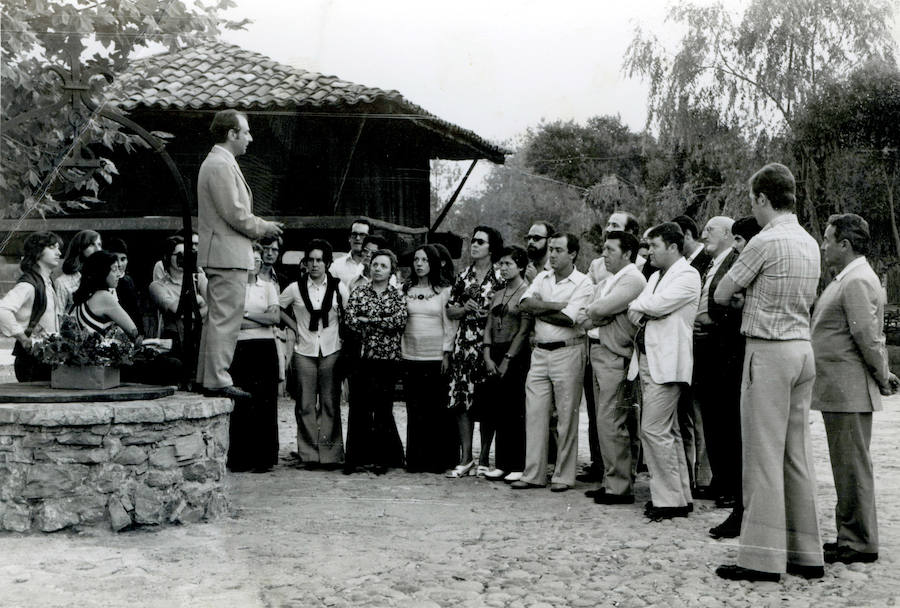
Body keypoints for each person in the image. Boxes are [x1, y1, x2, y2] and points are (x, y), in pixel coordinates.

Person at [714, 162, 824, 582]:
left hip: (768, 350)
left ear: (762, 199)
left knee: (761, 456)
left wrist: (748, 299)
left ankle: (760, 558)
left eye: (753, 203)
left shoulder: (765, 241)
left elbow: (724, 293)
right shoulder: (809, 242)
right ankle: (806, 553)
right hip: (801, 348)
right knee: (796, 455)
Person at [813, 214, 898, 565]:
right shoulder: (849, 278)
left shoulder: (856, 281)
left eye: (828, 239)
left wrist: (883, 375)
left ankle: (860, 542)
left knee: (852, 467)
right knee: (846, 466)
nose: (823, 245)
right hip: (840, 389)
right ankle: (850, 535)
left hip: (847, 389)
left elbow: (867, 336)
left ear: (845, 245)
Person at [196, 109, 283, 399]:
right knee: (226, 318)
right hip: (226, 254)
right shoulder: (220, 165)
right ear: (231, 134)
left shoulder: (220, 162)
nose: (250, 137)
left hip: (223, 252)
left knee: (218, 318)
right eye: (245, 132)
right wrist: (264, 227)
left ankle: (208, 376)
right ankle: (218, 379)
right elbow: (234, 212)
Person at [626, 222, 700, 520]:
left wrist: (643, 305)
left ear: (672, 246)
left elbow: (655, 306)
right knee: (668, 430)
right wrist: (644, 306)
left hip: (668, 363)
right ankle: (680, 494)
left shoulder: (688, 275)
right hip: (648, 358)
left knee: (653, 429)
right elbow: (638, 310)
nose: (650, 252)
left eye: (654, 245)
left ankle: (669, 500)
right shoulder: (656, 276)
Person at [511, 232, 593, 492]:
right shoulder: (542, 277)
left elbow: (570, 319)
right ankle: (533, 472)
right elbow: (523, 304)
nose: (553, 255)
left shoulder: (583, 283)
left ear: (573, 254)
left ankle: (563, 475)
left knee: (566, 415)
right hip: (540, 353)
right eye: (552, 250)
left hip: (568, 352)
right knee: (535, 413)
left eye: (559, 250)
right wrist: (556, 305)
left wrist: (541, 308)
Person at [577, 231, 646, 504]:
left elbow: (598, 310)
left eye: (610, 250)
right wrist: (598, 314)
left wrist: (599, 314)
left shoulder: (633, 278)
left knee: (613, 420)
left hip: (616, 355)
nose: (604, 255)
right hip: (600, 352)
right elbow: (585, 316)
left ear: (627, 253)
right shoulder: (609, 280)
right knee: (606, 421)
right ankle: (612, 480)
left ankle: (619, 486)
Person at [693, 217, 746, 540]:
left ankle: (728, 486)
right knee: (711, 418)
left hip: (723, 350)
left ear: (728, 234)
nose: (704, 235)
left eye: (710, 230)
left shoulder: (736, 261)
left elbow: (732, 304)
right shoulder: (712, 264)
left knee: (724, 419)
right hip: (707, 349)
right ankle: (721, 481)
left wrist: (712, 324)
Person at [279, 239, 348, 469]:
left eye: (320, 260)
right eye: (311, 260)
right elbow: (277, 308)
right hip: (304, 351)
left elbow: (348, 314)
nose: (315, 264)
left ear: (327, 263)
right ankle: (308, 454)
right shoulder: (295, 288)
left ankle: (329, 455)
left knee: (330, 402)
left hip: (331, 350)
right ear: (305, 263)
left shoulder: (339, 287)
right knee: (306, 403)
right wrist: (293, 326)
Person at [445, 226, 504, 478]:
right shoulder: (463, 276)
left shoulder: (500, 277)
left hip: (489, 345)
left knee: (488, 402)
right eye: (473, 241)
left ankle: (483, 457)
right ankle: (466, 456)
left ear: (492, 248)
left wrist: (489, 312)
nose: (474, 245)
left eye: (480, 242)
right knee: (462, 400)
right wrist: (465, 308)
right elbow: (450, 310)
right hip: (464, 344)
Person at [344, 249, 408, 474]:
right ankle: (354, 459)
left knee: (383, 408)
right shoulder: (359, 292)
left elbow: (399, 321)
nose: (378, 269)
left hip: (387, 359)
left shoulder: (397, 294)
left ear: (391, 270)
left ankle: (383, 459)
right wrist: (382, 320)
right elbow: (351, 320)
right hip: (363, 358)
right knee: (359, 407)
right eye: (375, 264)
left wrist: (369, 320)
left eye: (384, 266)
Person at [401, 244, 458, 474]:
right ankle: (416, 460)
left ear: (433, 263)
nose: (419, 264)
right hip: (410, 355)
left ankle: (438, 460)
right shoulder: (405, 289)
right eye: (416, 259)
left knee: (436, 409)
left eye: (424, 260)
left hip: (435, 357)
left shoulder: (444, 290)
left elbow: (450, 325)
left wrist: (446, 353)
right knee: (415, 409)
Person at [481, 246, 533, 481]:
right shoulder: (497, 293)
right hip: (495, 352)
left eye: (508, 264)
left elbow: (523, 331)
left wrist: (508, 359)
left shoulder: (527, 292)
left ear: (521, 266)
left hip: (516, 355)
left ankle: (518, 464)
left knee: (516, 410)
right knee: (498, 409)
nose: (503, 268)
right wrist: (487, 354)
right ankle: (501, 462)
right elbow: (489, 326)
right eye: (500, 264)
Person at [228, 243, 281, 473]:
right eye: (252, 259)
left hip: (265, 347)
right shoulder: (233, 288)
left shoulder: (268, 287)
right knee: (242, 401)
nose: (256, 263)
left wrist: (247, 315)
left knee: (265, 401)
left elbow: (274, 318)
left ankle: (264, 458)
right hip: (239, 347)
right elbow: (231, 320)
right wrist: (260, 317)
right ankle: (240, 457)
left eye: (259, 260)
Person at [671, 214, 713, 495]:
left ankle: (705, 477)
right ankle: (690, 475)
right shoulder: (683, 266)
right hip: (684, 349)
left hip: (702, 349)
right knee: (685, 417)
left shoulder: (704, 263)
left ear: (685, 235)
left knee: (700, 418)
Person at [0, 232, 62, 382]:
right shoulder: (28, 285)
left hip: (46, 358)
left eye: (58, 248)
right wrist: (23, 338)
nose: (59, 252)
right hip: (32, 361)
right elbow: (2, 310)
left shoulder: (46, 282)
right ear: (38, 251)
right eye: (52, 247)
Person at [149, 236, 209, 354]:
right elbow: (176, 309)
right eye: (179, 254)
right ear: (168, 257)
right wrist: (199, 300)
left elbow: (214, 306)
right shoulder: (157, 286)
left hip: (201, 337)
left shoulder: (199, 279)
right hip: (174, 341)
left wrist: (193, 312)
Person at [71, 251, 140, 340]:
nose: (118, 274)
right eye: (114, 270)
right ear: (102, 272)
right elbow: (133, 331)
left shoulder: (85, 297)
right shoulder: (104, 297)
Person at [54, 229, 101, 316]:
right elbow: (58, 316)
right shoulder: (62, 282)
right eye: (92, 244)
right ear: (80, 248)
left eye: (99, 244)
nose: (98, 249)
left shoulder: (104, 278)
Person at [105, 237, 141, 328]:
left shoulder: (128, 281)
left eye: (123, 259)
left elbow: (135, 313)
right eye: (115, 259)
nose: (119, 265)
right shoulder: (103, 282)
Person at [329, 218, 372, 288]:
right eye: (354, 234)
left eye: (362, 235)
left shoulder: (376, 265)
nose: (357, 238)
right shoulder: (336, 266)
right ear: (349, 238)